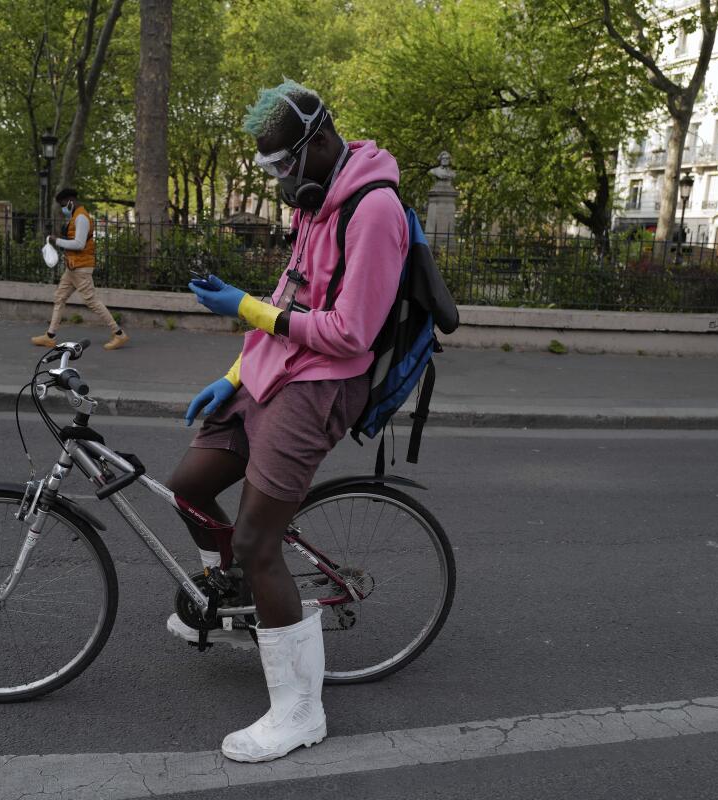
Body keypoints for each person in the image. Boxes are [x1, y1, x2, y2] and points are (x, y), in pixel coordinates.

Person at [166, 79, 408, 763]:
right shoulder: (315, 202)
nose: (277, 182)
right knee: (188, 484)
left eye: (281, 166)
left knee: (256, 540)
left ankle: (300, 712)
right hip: (277, 372)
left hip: (325, 385)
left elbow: (349, 333)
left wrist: (243, 308)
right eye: (268, 169)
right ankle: (233, 594)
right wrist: (234, 375)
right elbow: (287, 301)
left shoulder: (374, 210)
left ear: (320, 142)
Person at [31, 187, 129, 351]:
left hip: (81, 268)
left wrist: (57, 241)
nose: (63, 209)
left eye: (63, 204)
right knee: (60, 297)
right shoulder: (76, 216)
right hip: (73, 267)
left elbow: (79, 244)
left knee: (92, 301)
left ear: (70, 201)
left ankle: (119, 334)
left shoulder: (81, 218)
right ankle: (50, 336)